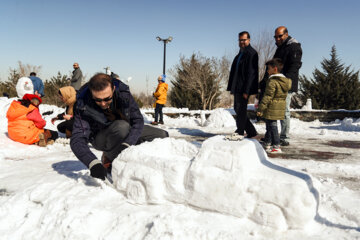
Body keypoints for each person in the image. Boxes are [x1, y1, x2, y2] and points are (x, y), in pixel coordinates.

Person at [70, 73, 169, 180]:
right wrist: (92, 162)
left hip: (125, 131)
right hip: (101, 137)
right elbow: (77, 138)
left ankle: (135, 158)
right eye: (98, 100)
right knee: (122, 127)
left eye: (107, 99)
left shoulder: (123, 94)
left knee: (162, 135)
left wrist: (128, 143)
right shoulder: (83, 103)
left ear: (113, 89)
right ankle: (110, 157)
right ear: (91, 92)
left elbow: (138, 120)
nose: (103, 103)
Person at [259, 26, 302, 146]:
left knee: (284, 111)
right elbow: (273, 66)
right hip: (275, 83)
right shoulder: (280, 48)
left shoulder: (294, 47)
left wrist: (284, 80)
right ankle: (270, 136)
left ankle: (284, 138)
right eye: (275, 36)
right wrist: (264, 82)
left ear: (286, 34)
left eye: (279, 36)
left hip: (285, 85)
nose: (277, 39)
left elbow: (295, 66)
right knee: (271, 110)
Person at [226, 31, 258, 140]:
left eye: (244, 40)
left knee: (240, 108)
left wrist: (247, 91)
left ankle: (240, 131)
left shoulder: (251, 53)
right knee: (238, 108)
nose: (242, 42)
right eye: (240, 40)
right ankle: (251, 131)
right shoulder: (240, 53)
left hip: (244, 88)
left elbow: (251, 73)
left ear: (249, 40)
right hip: (237, 86)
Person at [257, 59, 291, 153]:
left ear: (275, 69)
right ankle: (267, 142)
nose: (267, 71)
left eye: (269, 68)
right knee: (270, 124)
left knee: (272, 125)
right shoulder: (284, 81)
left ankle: (276, 145)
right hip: (279, 106)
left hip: (272, 106)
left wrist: (261, 107)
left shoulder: (272, 81)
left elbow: (268, 96)